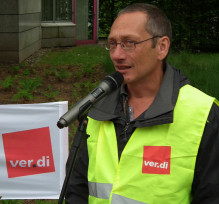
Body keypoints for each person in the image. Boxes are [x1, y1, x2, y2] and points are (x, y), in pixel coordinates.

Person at [65, 3, 219, 204]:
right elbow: (76, 188)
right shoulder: (98, 106)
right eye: (112, 43)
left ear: (162, 47)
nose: (117, 55)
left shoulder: (203, 114)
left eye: (129, 43)